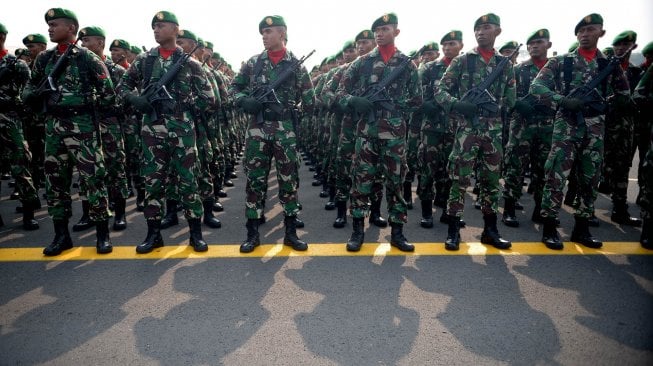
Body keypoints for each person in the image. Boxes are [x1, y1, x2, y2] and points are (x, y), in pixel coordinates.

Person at [118, 10, 216, 253]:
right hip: (152, 128)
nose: (156, 29)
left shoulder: (190, 63)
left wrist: (188, 107)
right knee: (153, 182)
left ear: (175, 29)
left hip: (182, 129)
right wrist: (136, 99)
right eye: (154, 26)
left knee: (188, 181)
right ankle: (153, 235)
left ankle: (195, 234)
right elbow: (122, 85)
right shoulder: (144, 60)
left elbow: (210, 100)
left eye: (161, 25)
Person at [531, 13, 630, 250]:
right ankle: (550, 226)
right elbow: (537, 86)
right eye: (581, 32)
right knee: (556, 177)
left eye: (591, 30)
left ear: (601, 33)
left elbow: (624, 95)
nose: (585, 35)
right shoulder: (562, 61)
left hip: (595, 127)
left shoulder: (609, 65)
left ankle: (582, 227)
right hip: (566, 125)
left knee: (590, 178)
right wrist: (561, 100)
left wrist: (607, 104)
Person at [23, 8, 115, 255]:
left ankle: (102, 235)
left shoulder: (87, 58)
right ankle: (61, 236)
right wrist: (30, 95)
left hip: (82, 127)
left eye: (55, 25)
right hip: (54, 128)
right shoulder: (44, 60)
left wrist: (84, 104)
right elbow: (30, 86)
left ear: (71, 28)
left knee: (93, 180)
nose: (50, 29)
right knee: (56, 183)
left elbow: (108, 95)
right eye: (49, 25)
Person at [336, 13, 421, 252]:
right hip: (366, 133)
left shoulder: (407, 63)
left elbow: (417, 100)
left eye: (385, 29)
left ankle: (397, 232)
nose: (379, 33)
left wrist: (394, 106)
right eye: (377, 30)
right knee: (361, 181)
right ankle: (357, 231)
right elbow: (339, 93)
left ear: (396, 32)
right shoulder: (361, 63)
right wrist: (355, 101)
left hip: (394, 134)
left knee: (396, 182)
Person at [230, 15, 315, 253]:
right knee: (255, 181)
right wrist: (245, 101)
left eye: (269, 32)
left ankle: (290, 233)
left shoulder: (296, 65)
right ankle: (252, 234)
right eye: (262, 33)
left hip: (284, 130)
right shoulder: (253, 63)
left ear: (282, 33)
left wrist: (292, 111)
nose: (265, 37)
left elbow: (310, 101)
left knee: (288, 182)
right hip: (257, 129)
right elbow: (233, 88)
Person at [434, 13, 515, 251]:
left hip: (493, 131)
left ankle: (490, 230)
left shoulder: (505, 64)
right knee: (459, 180)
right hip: (466, 131)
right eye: (477, 29)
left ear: (497, 31)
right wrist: (457, 104)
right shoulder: (463, 60)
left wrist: (496, 105)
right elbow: (440, 90)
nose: (481, 32)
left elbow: (511, 99)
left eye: (486, 28)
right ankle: (453, 230)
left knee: (491, 182)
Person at [502, 29, 555, 227]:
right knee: (515, 167)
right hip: (522, 126)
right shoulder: (518, 69)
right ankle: (509, 209)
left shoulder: (555, 69)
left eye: (539, 42)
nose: (534, 46)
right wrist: (515, 103)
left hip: (548, 127)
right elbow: (503, 95)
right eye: (530, 43)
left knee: (544, 170)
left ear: (548, 45)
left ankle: (540, 209)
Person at [78, 26, 130, 231]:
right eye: (82, 41)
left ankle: (120, 213)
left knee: (116, 167)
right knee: (86, 170)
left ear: (100, 43)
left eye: (87, 40)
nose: (83, 44)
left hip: (109, 124)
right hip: (85, 125)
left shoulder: (115, 70)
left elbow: (124, 99)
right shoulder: (76, 65)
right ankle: (88, 213)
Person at [417, 30, 465, 229]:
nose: (447, 48)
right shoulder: (429, 68)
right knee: (427, 170)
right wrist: (425, 105)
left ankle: (447, 210)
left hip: (456, 128)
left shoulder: (466, 67)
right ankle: (427, 212)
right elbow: (415, 93)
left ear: (460, 45)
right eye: (444, 45)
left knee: (451, 171)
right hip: (432, 128)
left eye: (452, 43)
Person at [0, 22, 41, 231]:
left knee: (21, 164)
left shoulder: (16, 65)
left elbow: (28, 93)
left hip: (10, 119)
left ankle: (28, 213)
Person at [601, 30, 643, 226]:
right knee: (596, 167)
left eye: (626, 46)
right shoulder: (603, 68)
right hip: (603, 125)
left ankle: (620, 209)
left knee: (622, 168)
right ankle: (585, 210)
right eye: (618, 45)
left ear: (633, 47)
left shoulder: (637, 72)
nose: (621, 49)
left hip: (626, 128)